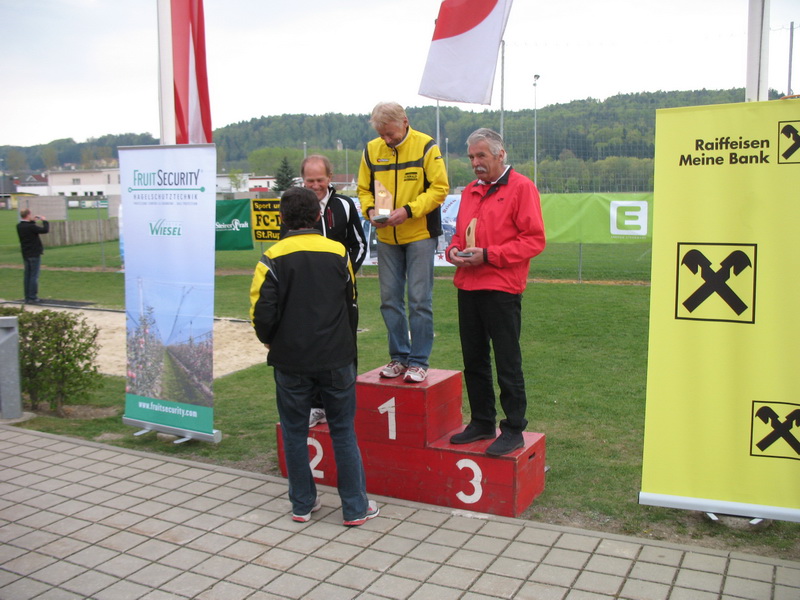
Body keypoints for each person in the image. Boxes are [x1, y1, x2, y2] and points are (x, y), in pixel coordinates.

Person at [250, 186, 379, 526]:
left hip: (291, 361)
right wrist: (346, 345)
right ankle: (355, 507)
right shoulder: (338, 252)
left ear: (282, 218)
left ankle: (302, 504)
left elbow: (261, 313)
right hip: (336, 358)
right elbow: (351, 303)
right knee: (343, 432)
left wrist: (271, 342)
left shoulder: (271, 257)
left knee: (294, 432)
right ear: (319, 216)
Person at [446, 128, 546, 456]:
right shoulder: (470, 191)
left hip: (502, 288)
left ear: (500, 155)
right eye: (471, 157)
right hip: (468, 285)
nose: (475, 162)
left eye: (481, 155)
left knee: (507, 361)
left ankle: (514, 428)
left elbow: (534, 240)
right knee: (473, 359)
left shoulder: (522, 187)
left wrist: (489, 255)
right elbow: (460, 235)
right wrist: (453, 251)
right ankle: (482, 421)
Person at [358, 101, 449, 383]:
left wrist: (409, 211)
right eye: (381, 134)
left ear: (405, 122)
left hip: (419, 235)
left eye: (391, 134)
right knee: (389, 300)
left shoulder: (426, 146)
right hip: (386, 236)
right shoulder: (371, 150)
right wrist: (370, 210)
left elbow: (440, 188)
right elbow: (363, 189)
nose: (386, 140)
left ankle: (419, 361)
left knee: (420, 300)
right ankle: (399, 357)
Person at [280, 154, 368, 428]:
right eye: (310, 180)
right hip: (305, 296)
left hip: (341, 293)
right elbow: (284, 249)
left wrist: (344, 276)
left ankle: (344, 404)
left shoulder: (344, 205)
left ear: (330, 178)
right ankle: (317, 406)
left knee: (346, 347)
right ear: (302, 179)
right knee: (312, 349)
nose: (316, 185)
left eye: (320, 180)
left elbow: (359, 244)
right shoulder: (295, 206)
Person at [16, 208, 49, 304]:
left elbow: (29, 227)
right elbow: (45, 230)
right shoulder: (31, 227)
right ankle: (33, 297)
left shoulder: (19, 226)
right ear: (28, 215)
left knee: (28, 275)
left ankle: (27, 296)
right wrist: (44, 221)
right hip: (34, 253)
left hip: (26, 253)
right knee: (34, 276)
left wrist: (32, 221)